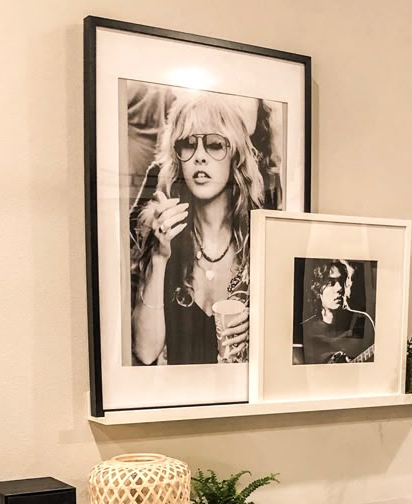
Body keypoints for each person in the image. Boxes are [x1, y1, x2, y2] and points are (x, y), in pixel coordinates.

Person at [130, 93, 265, 366]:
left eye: (215, 145)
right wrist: (159, 257)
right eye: (188, 145)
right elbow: (145, 352)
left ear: (235, 155)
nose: (199, 157)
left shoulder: (260, 237)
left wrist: (262, 327)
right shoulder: (163, 237)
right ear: (177, 158)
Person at [293, 260, 376, 365]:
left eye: (342, 281)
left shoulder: (362, 321)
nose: (340, 288)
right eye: (331, 283)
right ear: (317, 289)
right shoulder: (305, 329)